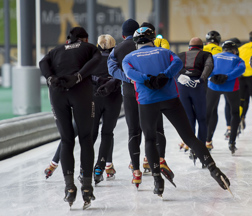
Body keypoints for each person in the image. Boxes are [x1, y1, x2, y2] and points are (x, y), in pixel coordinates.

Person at [122, 27, 230, 197]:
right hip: (170, 99)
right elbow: (178, 63)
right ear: (152, 40)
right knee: (189, 137)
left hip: (147, 101)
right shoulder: (165, 52)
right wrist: (164, 75)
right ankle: (214, 169)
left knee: (150, 139)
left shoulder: (128, 57)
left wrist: (147, 79)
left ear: (136, 43)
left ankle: (157, 180)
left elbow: (130, 73)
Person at [39, 27, 101, 209]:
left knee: (66, 140)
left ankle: (69, 188)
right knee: (86, 139)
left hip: (57, 92)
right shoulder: (89, 47)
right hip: (80, 90)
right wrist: (79, 76)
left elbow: (43, 62)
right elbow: (96, 61)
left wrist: (50, 78)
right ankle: (87, 187)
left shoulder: (55, 50)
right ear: (85, 38)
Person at [107, 19, 171, 188]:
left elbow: (111, 68)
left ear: (122, 35)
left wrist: (128, 77)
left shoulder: (118, 49)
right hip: (150, 93)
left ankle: (136, 172)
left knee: (133, 131)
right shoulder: (153, 46)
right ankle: (159, 160)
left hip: (129, 93)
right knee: (156, 129)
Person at [176, 37, 214, 164]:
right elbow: (209, 66)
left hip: (182, 87)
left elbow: (172, 68)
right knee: (202, 119)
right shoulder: (206, 54)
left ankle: (192, 148)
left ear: (189, 47)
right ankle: (202, 151)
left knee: (189, 119)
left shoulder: (180, 55)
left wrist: (179, 77)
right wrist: (201, 79)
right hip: (197, 86)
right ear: (202, 47)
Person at [90, 34, 122, 184]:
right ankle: (100, 168)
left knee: (91, 133)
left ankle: (85, 168)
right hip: (113, 99)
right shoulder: (117, 59)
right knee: (107, 133)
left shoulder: (92, 59)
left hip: (94, 99)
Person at [206, 40, 245, 154]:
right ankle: (232, 142)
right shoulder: (237, 59)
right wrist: (227, 77)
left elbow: (207, 67)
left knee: (209, 113)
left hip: (214, 86)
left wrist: (213, 77)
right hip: (231, 86)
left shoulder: (214, 56)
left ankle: (206, 140)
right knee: (235, 113)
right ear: (234, 51)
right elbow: (241, 69)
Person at [224, 37, 241, 139]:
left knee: (228, 104)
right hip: (237, 82)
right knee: (236, 104)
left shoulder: (225, 55)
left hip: (227, 82)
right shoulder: (237, 55)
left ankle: (229, 127)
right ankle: (234, 125)